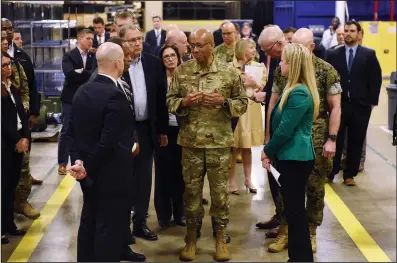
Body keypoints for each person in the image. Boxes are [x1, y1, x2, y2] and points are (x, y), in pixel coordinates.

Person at [166, 29, 248, 262]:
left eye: (200, 45)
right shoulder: (182, 71)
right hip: (190, 144)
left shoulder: (228, 71)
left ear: (212, 45)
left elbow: (243, 103)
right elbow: (170, 102)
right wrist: (184, 102)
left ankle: (220, 236)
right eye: (192, 45)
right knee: (191, 194)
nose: (195, 50)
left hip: (219, 145)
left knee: (220, 195)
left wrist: (224, 103)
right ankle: (191, 238)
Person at [266, 28, 342, 253]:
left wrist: (332, 139)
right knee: (286, 189)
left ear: (311, 47)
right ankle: (285, 230)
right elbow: (273, 103)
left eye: (299, 45)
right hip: (288, 140)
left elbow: (335, 107)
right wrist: (268, 136)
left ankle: (310, 232)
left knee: (315, 188)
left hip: (316, 139)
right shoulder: (285, 69)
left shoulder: (326, 70)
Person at [68, 42, 145, 262]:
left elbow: (75, 131)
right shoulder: (114, 95)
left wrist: (81, 165)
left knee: (89, 221)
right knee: (109, 229)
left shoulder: (82, 90)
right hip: (110, 174)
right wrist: (89, 166)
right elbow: (109, 141)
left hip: (88, 174)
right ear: (118, 62)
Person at [261, 43, 320, 262]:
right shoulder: (293, 88)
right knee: (294, 212)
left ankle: (301, 258)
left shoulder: (300, 93)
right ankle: (298, 257)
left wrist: (266, 151)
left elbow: (285, 130)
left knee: (295, 212)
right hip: (289, 157)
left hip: (295, 158)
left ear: (293, 64)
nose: (281, 63)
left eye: (284, 60)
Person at [119, 24, 168, 241]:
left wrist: (163, 130)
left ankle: (140, 224)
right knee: (123, 180)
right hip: (122, 132)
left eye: (139, 39)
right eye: (132, 40)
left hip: (146, 128)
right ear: (122, 42)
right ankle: (122, 228)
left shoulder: (153, 63)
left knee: (144, 180)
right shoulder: (117, 64)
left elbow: (161, 99)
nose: (137, 43)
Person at [326, 20, 382, 186]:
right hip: (339, 105)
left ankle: (350, 174)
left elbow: (376, 79)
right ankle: (331, 171)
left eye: (352, 31)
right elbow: (327, 79)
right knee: (335, 138)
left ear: (359, 34)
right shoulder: (333, 54)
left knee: (356, 140)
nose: (348, 34)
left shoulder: (369, 55)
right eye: (346, 31)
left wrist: (371, 103)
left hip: (360, 106)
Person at [255, 25, 289, 233]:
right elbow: (274, 89)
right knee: (273, 173)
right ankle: (280, 215)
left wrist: (264, 97)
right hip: (275, 128)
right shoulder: (277, 59)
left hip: (288, 129)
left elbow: (290, 95)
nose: (266, 55)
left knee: (285, 178)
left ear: (279, 43)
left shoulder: (294, 60)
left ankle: (286, 225)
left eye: (268, 50)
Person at [228, 39, 268, 195]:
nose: (253, 50)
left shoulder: (259, 67)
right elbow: (228, 87)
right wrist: (244, 84)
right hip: (237, 111)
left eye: (254, 47)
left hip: (252, 110)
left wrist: (254, 83)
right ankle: (231, 180)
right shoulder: (230, 67)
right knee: (234, 147)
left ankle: (248, 179)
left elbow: (263, 86)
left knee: (247, 147)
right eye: (250, 47)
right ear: (242, 49)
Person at [154, 44, 185, 228]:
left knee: (181, 175)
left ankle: (179, 213)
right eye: (166, 57)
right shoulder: (158, 80)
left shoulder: (186, 77)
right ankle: (164, 216)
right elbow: (156, 108)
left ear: (178, 57)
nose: (170, 59)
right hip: (165, 133)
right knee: (163, 175)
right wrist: (161, 131)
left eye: (173, 55)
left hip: (183, 131)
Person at [58, 29, 96, 175]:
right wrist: (84, 74)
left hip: (86, 99)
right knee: (67, 130)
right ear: (79, 39)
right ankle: (62, 163)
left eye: (91, 39)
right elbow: (70, 75)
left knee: (84, 130)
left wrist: (81, 72)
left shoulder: (93, 56)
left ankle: (80, 160)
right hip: (69, 98)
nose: (90, 41)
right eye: (87, 38)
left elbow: (94, 74)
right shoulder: (69, 56)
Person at [1, 52, 30, 244]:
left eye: (8, 64)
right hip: (6, 144)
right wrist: (17, 140)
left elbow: (22, 114)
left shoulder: (12, 88)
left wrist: (26, 137)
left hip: (19, 143)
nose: (8, 68)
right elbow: (3, 122)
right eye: (3, 65)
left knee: (11, 185)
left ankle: (9, 224)